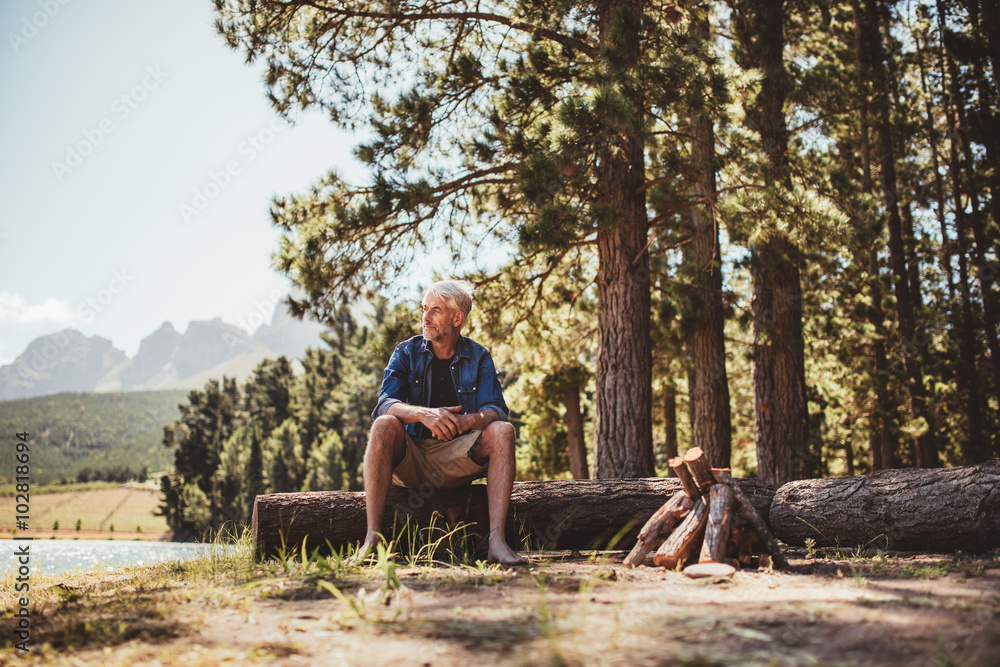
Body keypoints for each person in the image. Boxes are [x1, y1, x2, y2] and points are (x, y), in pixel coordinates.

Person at [356, 279, 526, 565]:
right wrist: (423, 413)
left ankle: (497, 541)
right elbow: (384, 405)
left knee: (503, 431)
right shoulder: (406, 352)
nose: (425, 317)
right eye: (424, 308)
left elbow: (496, 410)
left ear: (457, 318)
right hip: (411, 458)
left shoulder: (479, 356)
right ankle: (372, 539)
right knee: (384, 425)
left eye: (435, 310)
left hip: (457, 460)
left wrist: (468, 421)